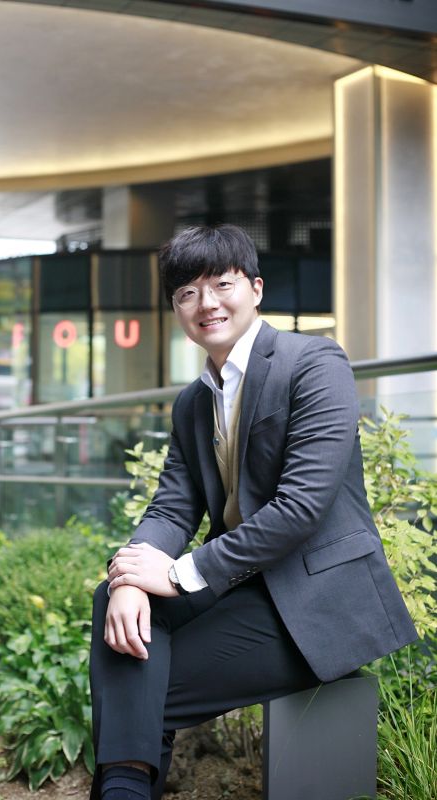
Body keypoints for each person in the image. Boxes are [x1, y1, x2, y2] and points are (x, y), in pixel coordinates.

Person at [89, 224, 417, 800]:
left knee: (137, 695)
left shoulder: (314, 362)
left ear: (256, 289)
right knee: (116, 605)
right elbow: (173, 506)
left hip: (317, 602)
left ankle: (122, 791)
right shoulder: (193, 403)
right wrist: (129, 578)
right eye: (187, 292)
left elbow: (301, 507)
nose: (206, 303)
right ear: (176, 308)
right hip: (245, 586)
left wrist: (176, 574)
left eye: (222, 284)